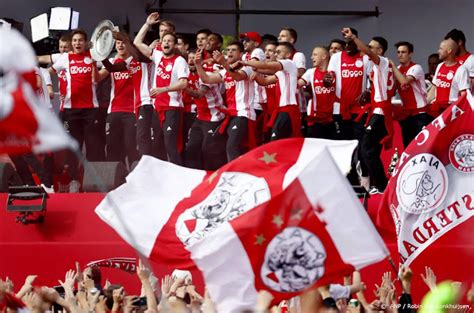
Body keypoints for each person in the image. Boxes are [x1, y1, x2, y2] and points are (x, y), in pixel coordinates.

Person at [342, 27, 394, 194]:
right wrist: (369, 92)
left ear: (380, 51)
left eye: (372, 47)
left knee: (366, 149)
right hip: (377, 109)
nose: (367, 49)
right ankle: (378, 185)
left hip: (380, 111)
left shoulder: (383, 62)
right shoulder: (377, 67)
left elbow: (365, 51)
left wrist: (354, 38)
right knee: (370, 149)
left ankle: (381, 186)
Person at [49, 29, 103, 184]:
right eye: (75, 40)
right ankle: (74, 180)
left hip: (91, 109)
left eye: (80, 40)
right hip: (71, 110)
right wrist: (48, 86)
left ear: (85, 43)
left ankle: (92, 180)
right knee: (74, 147)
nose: (77, 43)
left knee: (93, 146)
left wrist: (97, 62)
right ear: (71, 43)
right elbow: (49, 72)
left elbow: (104, 71)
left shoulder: (93, 56)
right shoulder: (65, 57)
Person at [134, 13, 189, 165]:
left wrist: (163, 89)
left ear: (174, 44)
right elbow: (137, 42)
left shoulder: (180, 61)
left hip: (172, 108)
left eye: (170, 41)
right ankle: (161, 180)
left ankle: (177, 177)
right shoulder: (157, 55)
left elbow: (183, 83)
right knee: (157, 144)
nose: (166, 43)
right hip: (157, 108)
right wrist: (147, 24)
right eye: (164, 40)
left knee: (170, 145)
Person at [195, 40, 256, 161]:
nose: (230, 52)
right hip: (231, 115)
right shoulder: (225, 71)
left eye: (233, 50)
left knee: (232, 146)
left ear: (241, 54)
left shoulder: (247, 68)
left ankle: (235, 175)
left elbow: (237, 77)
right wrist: (198, 64)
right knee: (216, 143)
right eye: (228, 50)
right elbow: (206, 79)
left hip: (243, 113)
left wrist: (223, 62)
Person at [245, 42, 300, 140]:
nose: (275, 54)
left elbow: (264, 64)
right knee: (281, 142)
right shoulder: (282, 71)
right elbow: (265, 81)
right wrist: (256, 75)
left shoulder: (289, 63)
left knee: (276, 141)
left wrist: (245, 62)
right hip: (282, 109)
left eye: (278, 52)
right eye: (275, 52)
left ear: (288, 54)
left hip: (288, 109)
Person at [97, 37, 138, 168]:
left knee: (131, 146)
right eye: (117, 43)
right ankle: (114, 180)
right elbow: (97, 78)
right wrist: (94, 59)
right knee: (112, 147)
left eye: (123, 43)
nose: (120, 45)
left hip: (132, 111)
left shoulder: (135, 61)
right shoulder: (111, 61)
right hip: (114, 110)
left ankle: (135, 179)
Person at [390, 41, 432, 148]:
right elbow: (392, 88)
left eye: (403, 52)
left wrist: (393, 67)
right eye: (398, 52)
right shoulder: (398, 69)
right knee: (408, 147)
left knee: (421, 146)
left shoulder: (416, 68)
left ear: (410, 54)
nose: (400, 55)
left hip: (420, 113)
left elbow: (404, 81)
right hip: (406, 114)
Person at [298, 46, 336, 139]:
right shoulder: (311, 72)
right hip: (316, 119)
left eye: (315, 55)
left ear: (324, 56)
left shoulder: (335, 72)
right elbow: (297, 84)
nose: (311, 57)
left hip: (334, 118)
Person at [427, 39, 470, 117]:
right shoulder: (440, 66)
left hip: (451, 112)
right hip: (436, 110)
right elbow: (434, 88)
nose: (438, 51)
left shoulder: (461, 69)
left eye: (441, 49)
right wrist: (425, 104)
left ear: (449, 51)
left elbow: (464, 96)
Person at [278, 27, 307, 134]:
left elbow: (300, 73)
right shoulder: (277, 58)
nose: (279, 38)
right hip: (280, 103)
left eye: (283, 36)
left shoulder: (297, 55)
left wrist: (285, 69)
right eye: (279, 36)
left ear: (291, 40)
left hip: (295, 103)